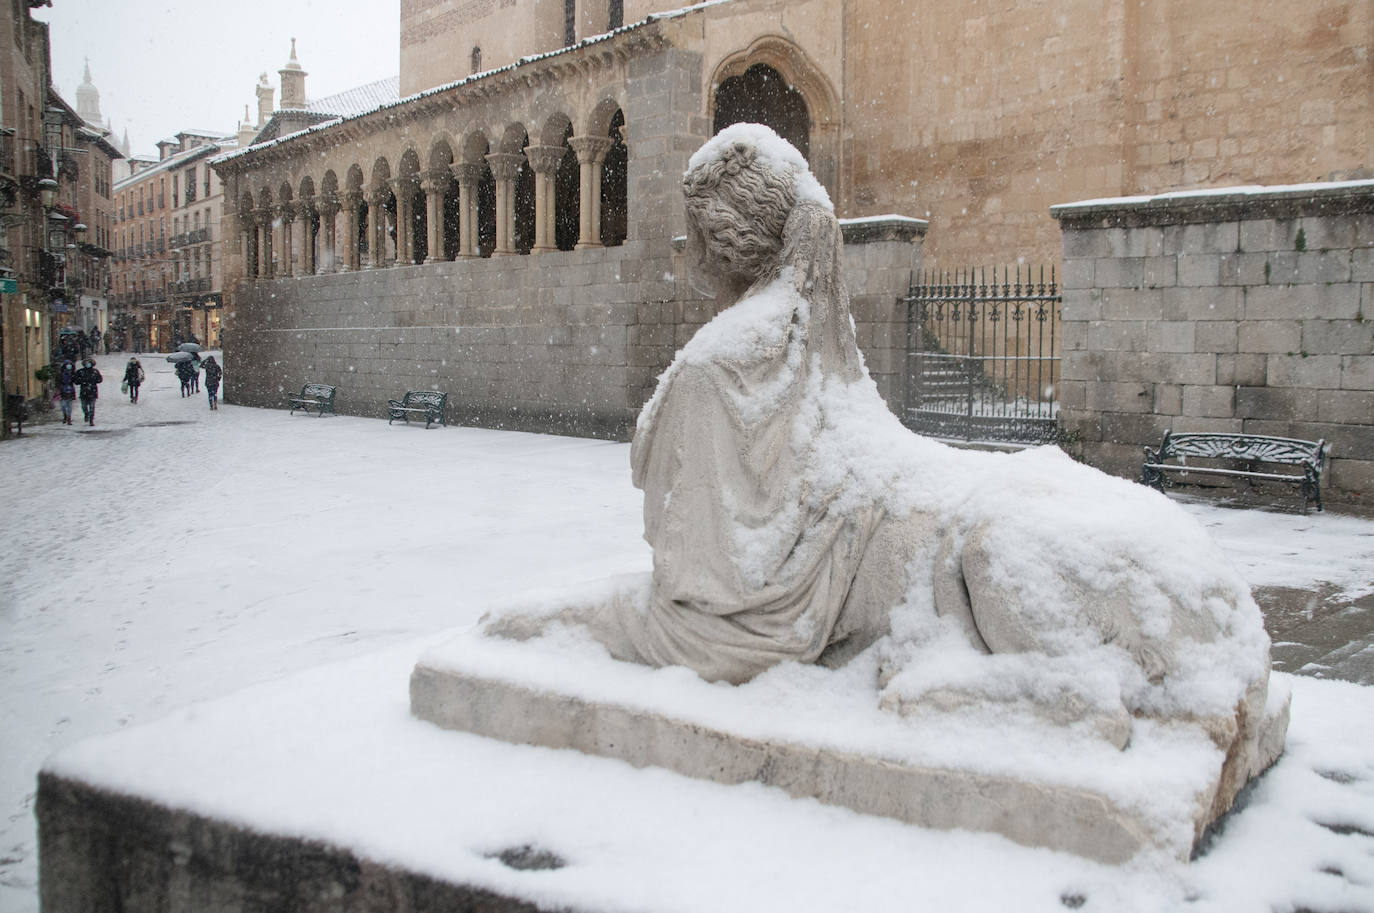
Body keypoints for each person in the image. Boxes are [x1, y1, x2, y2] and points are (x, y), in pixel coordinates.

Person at [72, 357, 102, 426]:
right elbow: (76, 381)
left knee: (92, 407)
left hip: (92, 391)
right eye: (86, 363)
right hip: (84, 391)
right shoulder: (80, 372)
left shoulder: (95, 371)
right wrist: (82, 381)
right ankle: (86, 414)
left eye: (89, 363)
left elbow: (100, 380)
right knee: (84, 406)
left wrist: (94, 381)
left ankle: (91, 420)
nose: (88, 364)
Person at [56, 359, 76, 425]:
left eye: (69, 365)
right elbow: (57, 382)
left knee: (69, 405)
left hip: (70, 390)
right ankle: (65, 415)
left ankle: (69, 418)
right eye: (67, 365)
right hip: (63, 390)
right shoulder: (60, 374)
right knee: (63, 405)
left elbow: (76, 381)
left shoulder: (73, 373)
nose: (68, 366)